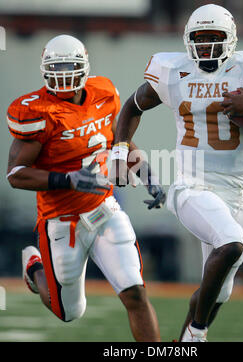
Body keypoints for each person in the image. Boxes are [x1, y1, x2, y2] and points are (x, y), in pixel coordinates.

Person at [110, 4, 243, 342]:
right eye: (200, 39)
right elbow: (132, 106)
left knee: (216, 295)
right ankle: (197, 332)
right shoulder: (172, 71)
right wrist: (121, 149)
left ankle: (185, 342)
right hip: (191, 185)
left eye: (214, 38)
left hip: (236, 191)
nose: (206, 47)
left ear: (231, 39)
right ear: (187, 40)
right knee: (231, 243)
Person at [6, 34, 165, 342]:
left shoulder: (104, 93)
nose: (64, 74)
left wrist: (145, 172)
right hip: (61, 221)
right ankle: (34, 268)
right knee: (68, 312)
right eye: (57, 67)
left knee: (135, 292)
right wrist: (67, 179)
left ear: (85, 67)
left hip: (104, 209)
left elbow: (119, 140)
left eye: (70, 66)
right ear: (44, 70)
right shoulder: (37, 111)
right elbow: (16, 174)